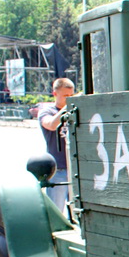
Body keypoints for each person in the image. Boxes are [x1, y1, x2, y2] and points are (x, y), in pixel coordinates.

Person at [37, 77, 75, 211]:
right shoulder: (47, 112)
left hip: (75, 169)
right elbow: (52, 125)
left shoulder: (74, 111)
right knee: (56, 210)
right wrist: (67, 106)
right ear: (55, 94)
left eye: (71, 96)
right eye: (66, 96)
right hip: (58, 170)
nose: (69, 98)